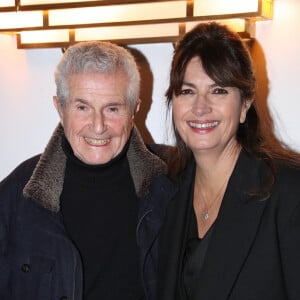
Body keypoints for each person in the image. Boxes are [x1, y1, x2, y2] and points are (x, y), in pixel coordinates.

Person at [0, 41, 176, 300]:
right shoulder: (17, 195)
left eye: (113, 108)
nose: (98, 126)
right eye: (82, 108)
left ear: (134, 110)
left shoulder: (173, 179)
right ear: (60, 109)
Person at [157, 22, 300, 300]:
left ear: (245, 104)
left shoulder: (289, 192)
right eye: (187, 91)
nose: (200, 107)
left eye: (219, 90)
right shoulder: (165, 190)